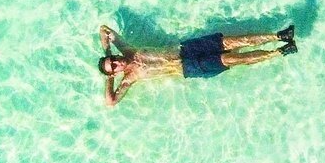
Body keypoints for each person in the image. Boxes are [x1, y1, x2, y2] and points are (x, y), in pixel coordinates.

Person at [98, 24, 297, 105]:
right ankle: (279, 52)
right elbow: (111, 102)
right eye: (113, 66)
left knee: (231, 41)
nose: (116, 62)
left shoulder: (127, 49)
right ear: (116, 72)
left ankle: (279, 35)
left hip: (186, 49)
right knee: (231, 59)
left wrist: (107, 52)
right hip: (188, 68)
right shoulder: (129, 78)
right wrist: (109, 78)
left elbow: (104, 30)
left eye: (113, 60)